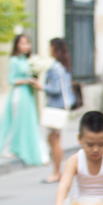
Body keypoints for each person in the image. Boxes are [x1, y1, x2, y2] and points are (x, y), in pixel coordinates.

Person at [0, 34, 47, 166]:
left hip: (28, 94)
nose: (25, 46)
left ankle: (23, 147)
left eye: (27, 43)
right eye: (22, 43)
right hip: (19, 94)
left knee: (27, 121)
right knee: (16, 120)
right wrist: (27, 80)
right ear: (17, 45)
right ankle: (9, 147)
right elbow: (11, 80)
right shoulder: (14, 60)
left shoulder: (28, 60)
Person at [41, 38, 74, 183]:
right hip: (61, 106)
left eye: (50, 47)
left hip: (56, 106)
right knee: (53, 138)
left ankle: (56, 172)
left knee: (54, 140)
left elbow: (56, 89)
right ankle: (57, 171)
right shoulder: (63, 66)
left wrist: (41, 87)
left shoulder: (56, 68)